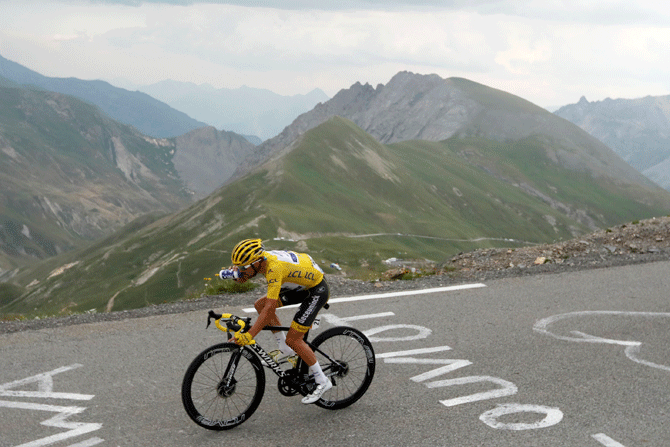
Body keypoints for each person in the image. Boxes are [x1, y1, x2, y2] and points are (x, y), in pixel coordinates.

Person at [227, 238, 332, 404]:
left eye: (243, 267)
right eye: (238, 267)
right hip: (299, 285)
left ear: (257, 262)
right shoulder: (262, 261)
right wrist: (238, 276)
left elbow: (270, 310)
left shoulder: (274, 268)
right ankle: (285, 349)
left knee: (294, 339)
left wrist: (250, 335)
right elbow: (260, 298)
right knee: (260, 304)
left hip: (316, 290)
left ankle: (322, 380)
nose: (241, 270)